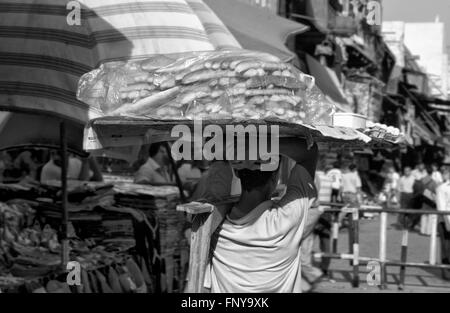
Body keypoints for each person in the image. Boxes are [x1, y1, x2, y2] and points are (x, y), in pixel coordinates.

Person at [205, 138, 318, 293]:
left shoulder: (215, 229)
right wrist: (255, 147)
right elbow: (309, 151)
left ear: (237, 174)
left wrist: (246, 149)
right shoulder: (287, 219)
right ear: (275, 178)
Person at [435, 167, 450, 280]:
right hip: (445, 222)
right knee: (446, 248)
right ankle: (446, 273)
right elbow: (441, 208)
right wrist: (447, 224)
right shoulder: (442, 188)